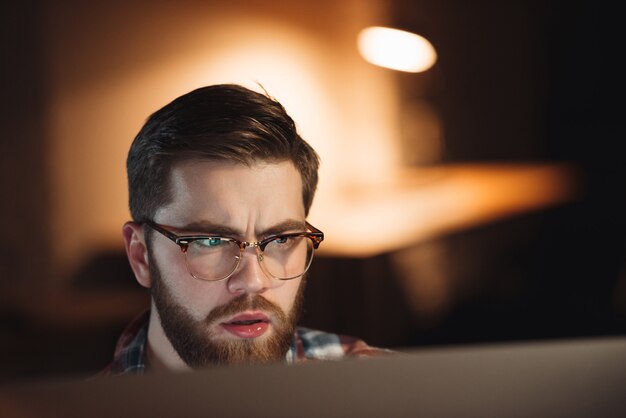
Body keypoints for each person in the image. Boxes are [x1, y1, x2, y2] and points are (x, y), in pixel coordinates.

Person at [102, 84, 389, 375]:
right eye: (212, 241)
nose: (253, 281)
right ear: (141, 256)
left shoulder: (390, 392)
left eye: (282, 238)